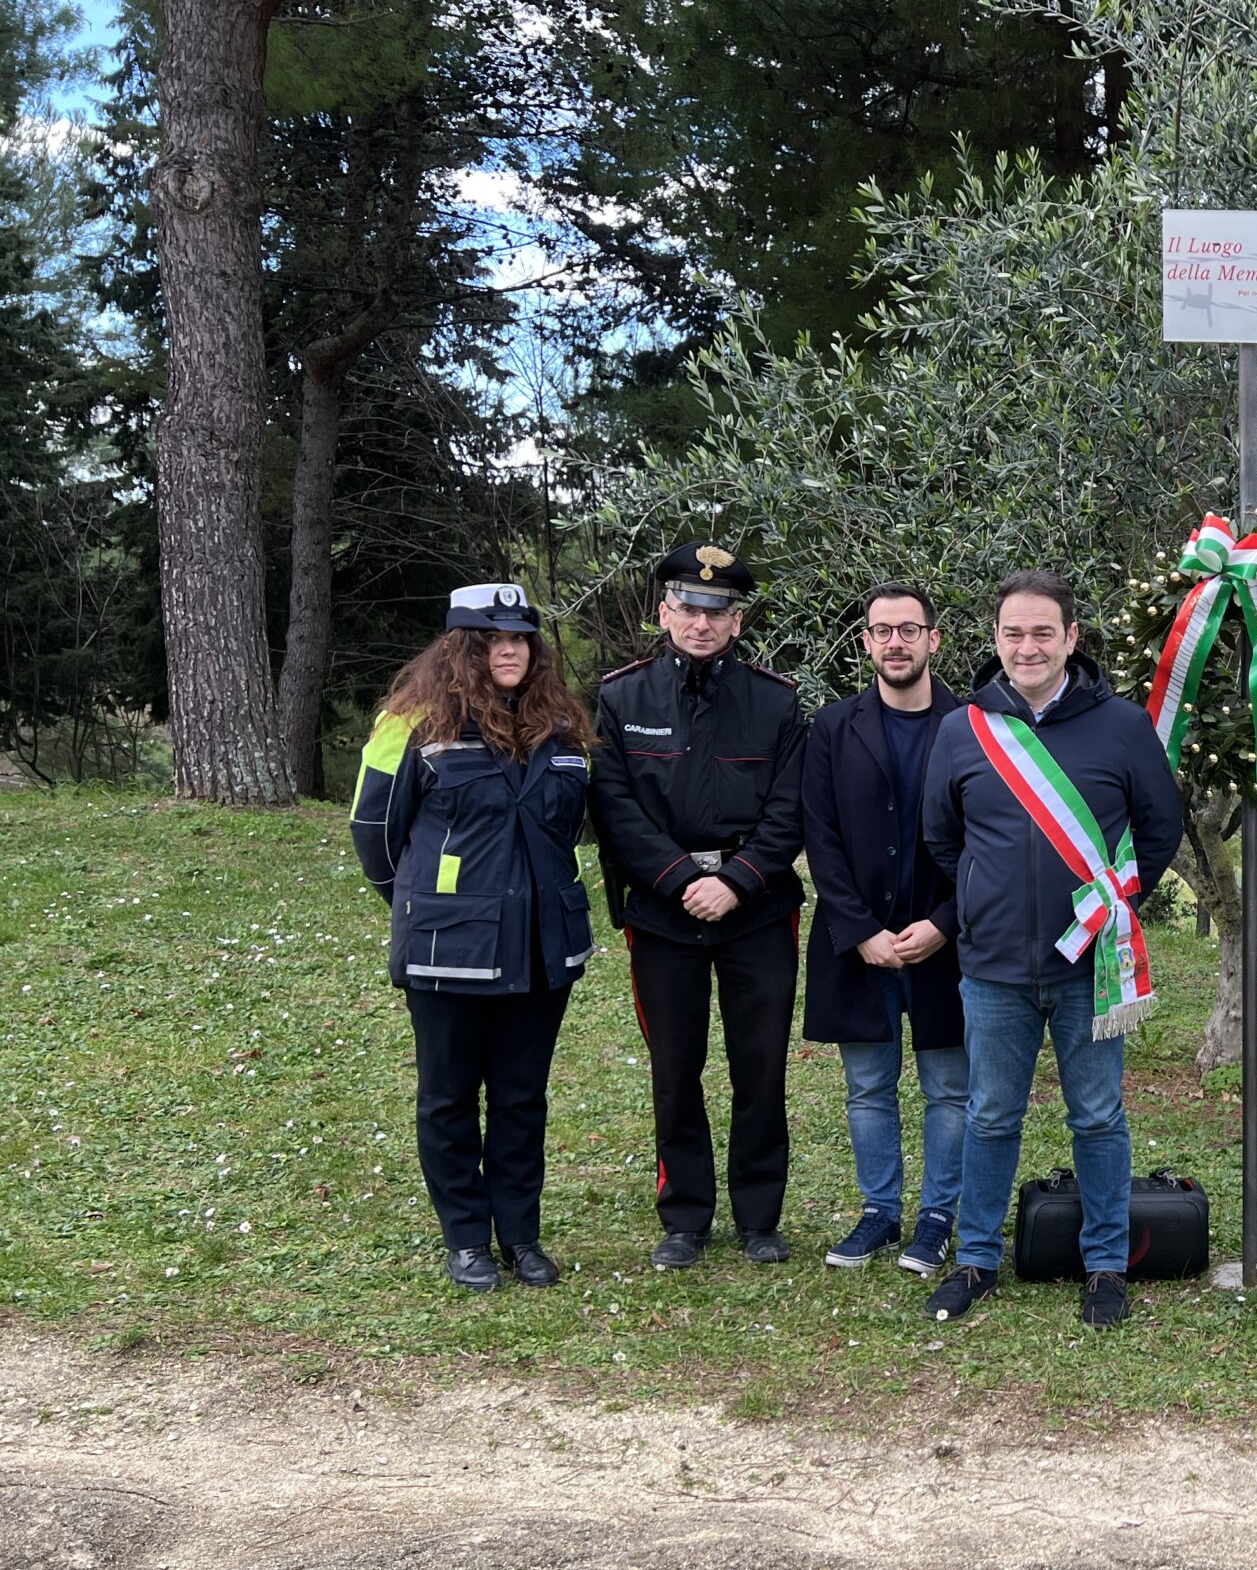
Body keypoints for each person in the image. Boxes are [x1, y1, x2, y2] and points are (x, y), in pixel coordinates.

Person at [918, 570, 1185, 1328]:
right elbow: (944, 836)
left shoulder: (1124, 726)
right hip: (993, 969)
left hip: (1089, 965)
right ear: (995, 640)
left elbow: (1157, 827)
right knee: (991, 1116)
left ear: (1071, 638)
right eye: (1013, 633)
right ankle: (975, 1259)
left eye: (1043, 632)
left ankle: (1104, 1265)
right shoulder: (962, 729)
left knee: (1098, 1116)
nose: (1027, 646)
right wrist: (983, 895)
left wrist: (1109, 903)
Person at [349, 583, 595, 1292]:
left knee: (522, 1097)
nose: (508, 649)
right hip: (446, 950)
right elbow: (374, 833)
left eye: (519, 637)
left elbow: (571, 825)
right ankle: (466, 1237)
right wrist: (420, 908)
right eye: (491, 638)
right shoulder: (412, 723)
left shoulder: (562, 727)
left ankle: (520, 1235)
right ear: (461, 648)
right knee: (449, 1097)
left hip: (541, 947)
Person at [589, 542, 808, 1270]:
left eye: (717, 611)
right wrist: (682, 877)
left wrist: (737, 878)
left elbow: (789, 810)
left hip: (757, 910)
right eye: (687, 608)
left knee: (761, 1066)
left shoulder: (776, 702)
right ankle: (684, 1216)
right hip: (662, 911)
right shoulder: (622, 698)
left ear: (737, 621)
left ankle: (759, 1217)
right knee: (675, 1069)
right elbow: (615, 808)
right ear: (664, 613)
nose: (701, 623)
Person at [801, 584, 968, 1276]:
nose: (894, 641)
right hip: (857, 944)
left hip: (948, 944)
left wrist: (944, 924)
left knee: (949, 1088)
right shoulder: (832, 729)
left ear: (935, 638)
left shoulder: (975, 724)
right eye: (880, 631)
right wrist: (861, 929)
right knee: (867, 1086)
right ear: (865, 643)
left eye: (909, 628)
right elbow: (821, 835)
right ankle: (879, 1211)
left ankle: (937, 1218)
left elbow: (992, 839)